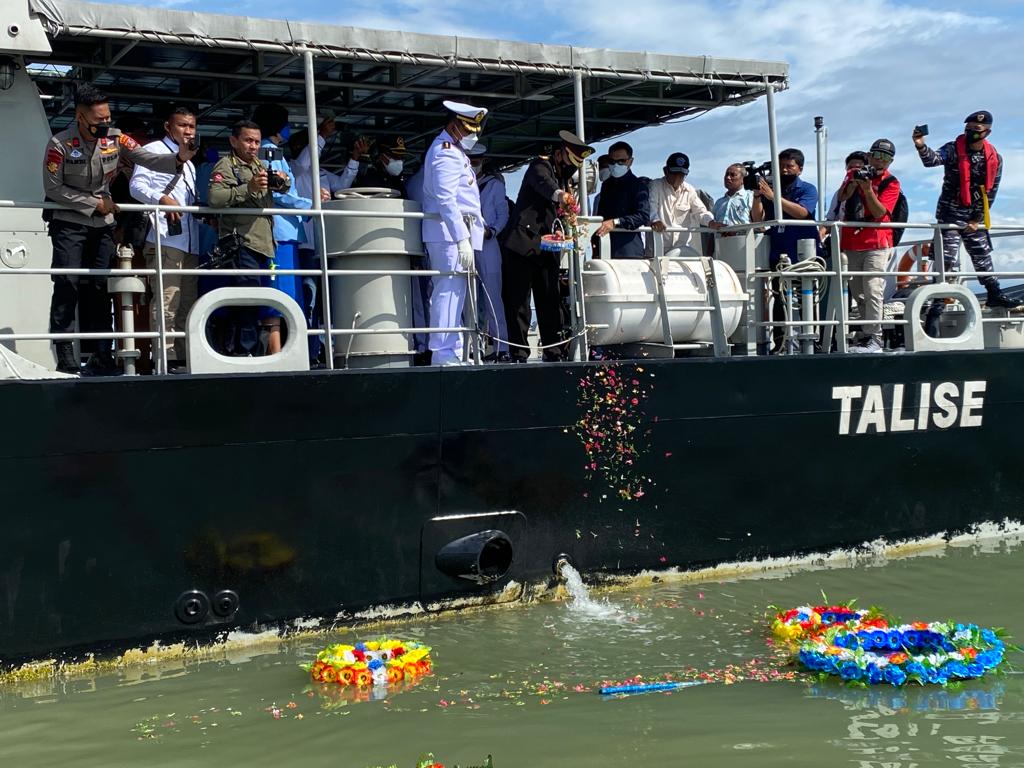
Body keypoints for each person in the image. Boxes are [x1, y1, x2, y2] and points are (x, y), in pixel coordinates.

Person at [43, 83, 197, 375]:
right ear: (80, 117)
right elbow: (52, 188)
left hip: (103, 225)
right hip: (68, 223)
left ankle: (102, 353)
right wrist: (93, 202)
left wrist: (178, 159)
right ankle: (65, 354)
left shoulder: (116, 139)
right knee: (67, 283)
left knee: (101, 286)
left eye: (107, 118)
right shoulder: (59, 144)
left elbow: (146, 158)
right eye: (98, 120)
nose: (105, 124)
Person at [500, 130, 593, 362]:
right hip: (522, 246)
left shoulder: (564, 176)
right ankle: (518, 353)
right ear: (561, 154)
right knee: (519, 302)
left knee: (550, 300)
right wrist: (562, 196)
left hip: (547, 247)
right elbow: (547, 187)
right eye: (570, 162)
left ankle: (554, 350)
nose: (571, 169)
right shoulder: (540, 167)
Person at [915, 110, 1021, 310]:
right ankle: (936, 306)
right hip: (950, 215)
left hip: (974, 216)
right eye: (968, 128)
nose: (971, 132)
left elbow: (992, 191)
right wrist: (920, 145)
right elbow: (932, 160)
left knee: (981, 253)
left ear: (987, 132)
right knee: (945, 259)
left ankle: (994, 293)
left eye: (976, 129)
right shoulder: (954, 149)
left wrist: (977, 218)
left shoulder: (994, 158)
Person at [129, 106, 202, 368]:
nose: (188, 131)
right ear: (168, 127)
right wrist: (162, 199)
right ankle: (165, 358)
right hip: (164, 237)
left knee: (188, 306)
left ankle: (183, 357)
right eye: (182, 125)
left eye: (191, 126)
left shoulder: (191, 160)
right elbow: (136, 187)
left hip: (190, 240)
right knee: (167, 301)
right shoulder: (154, 151)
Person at [421, 100, 488, 366]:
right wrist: (461, 237)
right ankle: (442, 353)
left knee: (457, 293)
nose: (473, 134)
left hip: (455, 234)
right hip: (448, 235)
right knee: (447, 292)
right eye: (468, 129)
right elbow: (446, 200)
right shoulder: (445, 152)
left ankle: (454, 348)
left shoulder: (455, 151)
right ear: (454, 126)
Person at [253, 103, 318, 356]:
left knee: (287, 295)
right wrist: (311, 204)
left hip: (286, 233)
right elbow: (281, 194)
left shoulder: (272, 152)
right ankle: (279, 354)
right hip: (280, 234)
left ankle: (287, 352)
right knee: (281, 294)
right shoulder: (270, 153)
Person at [207, 119, 275, 356]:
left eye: (256, 141)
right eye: (248, 140)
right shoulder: (226, 165)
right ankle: (241, 351)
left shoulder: (260, 166)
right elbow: (215, 199)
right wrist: (249, 188)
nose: (253, 146)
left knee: (254, 301)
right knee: (246, 299)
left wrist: (280, 182)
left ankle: (247, 350)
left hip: (261, 244)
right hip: (240, 243)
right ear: (234, 141)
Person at [750, 148, 821, 352]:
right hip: (779, 252)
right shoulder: (771, 190)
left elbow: (801, 212)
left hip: (803, 252)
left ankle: (812, 341)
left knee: (809, 298)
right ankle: (782, 342)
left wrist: (774, 197)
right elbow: (757, 219)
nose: (784, 171)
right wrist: (757, 196)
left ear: (800, 169)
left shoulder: (808, 189)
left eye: (789, 166)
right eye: (781, 167)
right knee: (781, 298)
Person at [838, 139, 902, 353]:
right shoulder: (853, 174)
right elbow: (841, 198)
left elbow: (879, 213)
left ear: (891, 161)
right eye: (877, 155)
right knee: (859, 292)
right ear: (869, 155)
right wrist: (855, 182)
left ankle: (876, 337)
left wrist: (867, 190)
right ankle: (866, 335)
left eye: (886, 158)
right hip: (851, 242)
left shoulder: (891, 182)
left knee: (873, 288)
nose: (880, 161)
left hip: (877, 241)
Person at [468, 145, 511, 361]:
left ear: (483, 160)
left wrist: (492, 230)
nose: (473, 165)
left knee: (493, 296)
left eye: (476, 161)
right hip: (465, 243)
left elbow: (503, 213)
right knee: (468, 297)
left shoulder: (493, 185)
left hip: (487, 243)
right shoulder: (461, 184)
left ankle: (501, 346)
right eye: (470, 160)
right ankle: (472, 345)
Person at [645, 152, 714, 256]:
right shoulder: (655, 186)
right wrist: (655, 220)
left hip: (682, 251)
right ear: (665, 171)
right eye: (674, 173)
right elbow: (651, 207)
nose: (677, 177)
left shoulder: (689, 190)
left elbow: (700, 212)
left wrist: (711, 222)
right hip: (657, 250)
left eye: (681, 174)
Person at [594, 141, 650, 258]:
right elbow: (601, 215)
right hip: (606, 247)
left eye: (621, 161)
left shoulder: (638, 185)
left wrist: (616, 222)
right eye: (612, 161)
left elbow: (643, 216)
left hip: (629, 251)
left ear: (630, 161)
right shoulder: (606, 185)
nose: (616, 165)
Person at [712, 163, 754, 229]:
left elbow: (758, 222)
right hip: (720, 239)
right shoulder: (719, 203)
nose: (728, 178)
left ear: (743, 179)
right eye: (726, 174)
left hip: (744, 238)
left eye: (732, 175)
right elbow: (713, 227)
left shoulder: (751, 197)